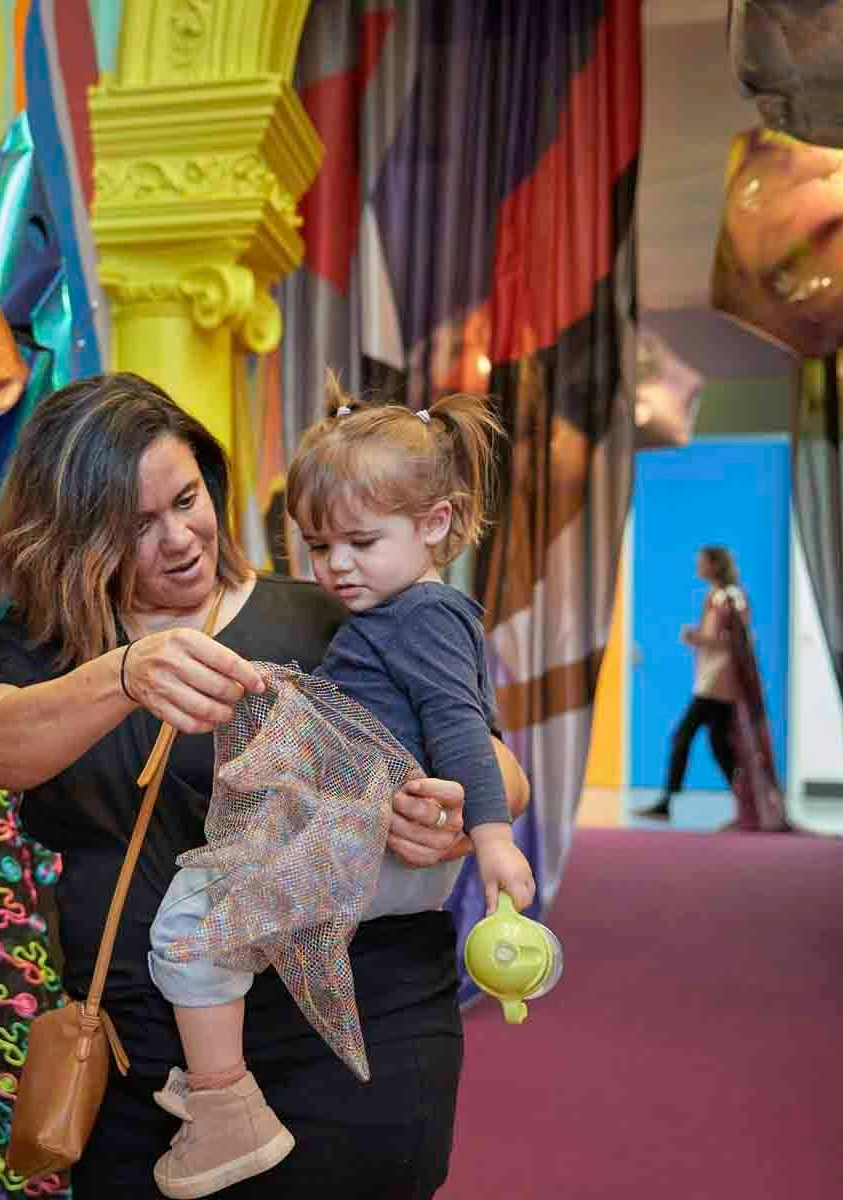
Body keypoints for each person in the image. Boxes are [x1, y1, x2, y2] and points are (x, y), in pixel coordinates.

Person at [0, 373, 530, 1199]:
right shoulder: (42, 645)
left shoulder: (336, 614)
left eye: (186, 500)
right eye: (136, 525)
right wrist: (125, 673)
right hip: (142, 1060)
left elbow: (492, 764)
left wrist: (447, 816)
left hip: (348, 1041)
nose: (179, 538)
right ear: (73, 535)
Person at [144, 381, 536, 1197]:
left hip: (376, 852)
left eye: (360, 542)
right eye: (319, 546)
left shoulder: (423, 615)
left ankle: (222, 1107)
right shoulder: (393, 616)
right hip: (369, 849)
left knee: (190, 925)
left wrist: (494, 838)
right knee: (213, 926)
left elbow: (462, 727)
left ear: (435, 524)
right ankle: (222, 1094)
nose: (336, 567)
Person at [639, 546, 743, 820]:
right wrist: (699, 638)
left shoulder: (730, 597)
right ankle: (747, 801)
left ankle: (666, 802)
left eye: (702, 562)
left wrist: (698, 639)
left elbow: (736, 641)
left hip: (718, 681)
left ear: (715, 565)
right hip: (710, 677)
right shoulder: (715, 596)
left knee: (683, 736)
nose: (698, 566)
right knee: (719, 745)